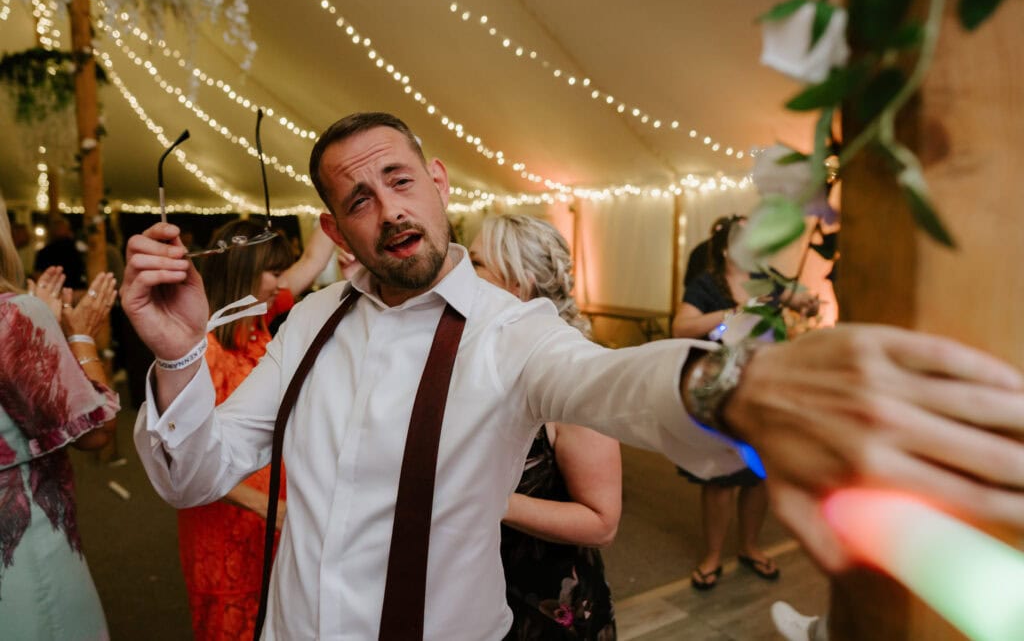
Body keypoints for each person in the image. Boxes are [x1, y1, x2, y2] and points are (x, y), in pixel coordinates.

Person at [122, 112, 1024, 640]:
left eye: (399, 180)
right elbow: (194, 472)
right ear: (335, 227)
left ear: (438, 182)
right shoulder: (311, 322)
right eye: (360, 198)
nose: (389, 209)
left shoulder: (511, 331)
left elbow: (613, 382)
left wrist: (732, 387)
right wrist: (177, 354)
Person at [177, 217, 336, 640]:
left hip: (278, 525)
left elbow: (314, 259)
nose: (281, 282)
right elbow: (184, 461)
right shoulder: (201, 351)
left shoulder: (260, 325)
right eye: (273, 271)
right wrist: (269, 508)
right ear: (242, 272)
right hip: (227, 531)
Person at [470, 214, 619, 639]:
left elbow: (602, 522)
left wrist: (491, 501)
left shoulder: (573, 376)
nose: (462, 274)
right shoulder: (485, 359)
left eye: (476, 264)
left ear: (519, 285)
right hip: (480, 583)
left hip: (547, 602)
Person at [0, 198, 120, 640]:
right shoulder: (13, 315)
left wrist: (40, 331)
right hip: (24, 553)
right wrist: (78, 336)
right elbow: (96, 433)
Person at [672, 215, 781, 589]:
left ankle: (750, 546)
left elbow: (796, 299)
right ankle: (713, 555)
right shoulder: (707, 284)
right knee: (721, 477)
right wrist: (734, 313)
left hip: (763, 388)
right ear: (724, 250)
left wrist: (808, 303)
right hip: (721, 392)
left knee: (758, 476)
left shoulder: (767, 281)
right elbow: (681, 327)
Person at [34, 216, 87, 290]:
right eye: (58, 228)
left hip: (74, 288)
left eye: (61, 228)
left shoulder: (76, 247)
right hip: (55, 289)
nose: (60, 230)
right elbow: (38, 273)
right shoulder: (45, 251)